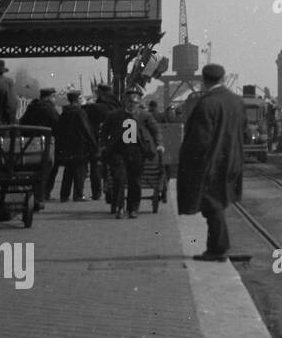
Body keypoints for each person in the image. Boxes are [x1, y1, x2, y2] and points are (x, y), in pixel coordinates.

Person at [177, 63, 246, 262]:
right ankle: (218, 246)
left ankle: (218, 248)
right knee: (219, 201)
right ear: (223, 79)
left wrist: (190, 165)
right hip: (232, 160)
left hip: (211, 162)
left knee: (211, 203)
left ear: (204, 80)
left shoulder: (207, 104)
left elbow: (200, 140)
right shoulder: (236, 101)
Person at [101, 88, 160, 219]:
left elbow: (155, 130)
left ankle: (133, 208)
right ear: (124, 102)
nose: (131, 104)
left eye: (134, 102)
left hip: (137, 151)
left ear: (139, 102)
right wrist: (104, 145)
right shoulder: (114, 115)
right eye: (129, 102)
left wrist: (158, 144)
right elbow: (104, 131)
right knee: (119, 179)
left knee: (135, 181)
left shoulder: (144, 115)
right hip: (118, 151)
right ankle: (120, 207)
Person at [55, 90, 97, 202]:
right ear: (77, 99)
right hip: (80, 145)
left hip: (67, 145)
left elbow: (59, 129)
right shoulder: (80, 112)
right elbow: (86, 128)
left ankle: (64, 195)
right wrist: (93, 143)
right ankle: (78, 194)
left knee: (68, 170)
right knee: (80, 171)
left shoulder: (65, 112)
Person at [21, 88, 60, 205]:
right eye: (54, 96)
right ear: (49, 97)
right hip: (46, 144)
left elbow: (23, 122)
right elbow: (58, 124)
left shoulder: (32, 107)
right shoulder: (49, 109)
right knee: (49, 168)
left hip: (29, 143)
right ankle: (43, 194)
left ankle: (34, 193)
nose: (55, 99)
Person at [83, 84, 118, 201]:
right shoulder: (118, 106)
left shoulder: (94, 108)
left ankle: (97, 193)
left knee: (96, 167)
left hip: (98, 141)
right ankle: (114, 189)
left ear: (100, 93)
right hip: (115, 142)